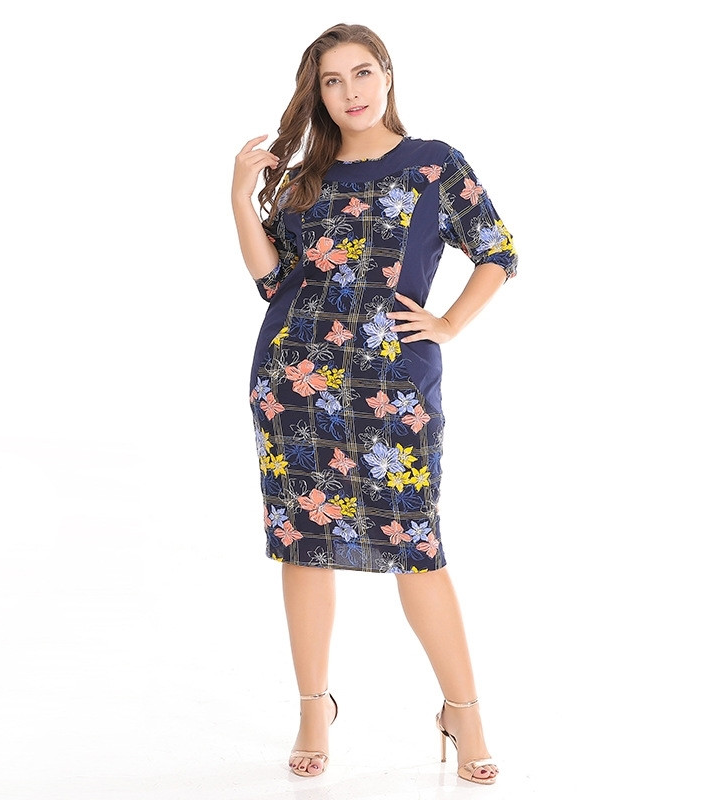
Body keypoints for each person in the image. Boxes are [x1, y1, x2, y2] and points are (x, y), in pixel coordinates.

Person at [231, 22, 517, 785]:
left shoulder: (433, 164)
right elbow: (272, 280)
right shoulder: (306, 178)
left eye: (361, 73)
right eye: (332, 80)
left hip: (394, 395)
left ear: (386, 74)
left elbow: (497, 250)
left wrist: (449, 323)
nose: (349, 91)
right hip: (293, 387)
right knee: (302, 546)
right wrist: (238, 198)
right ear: (318, 93)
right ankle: (312, 710)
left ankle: (464, 713)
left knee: (417, 548)